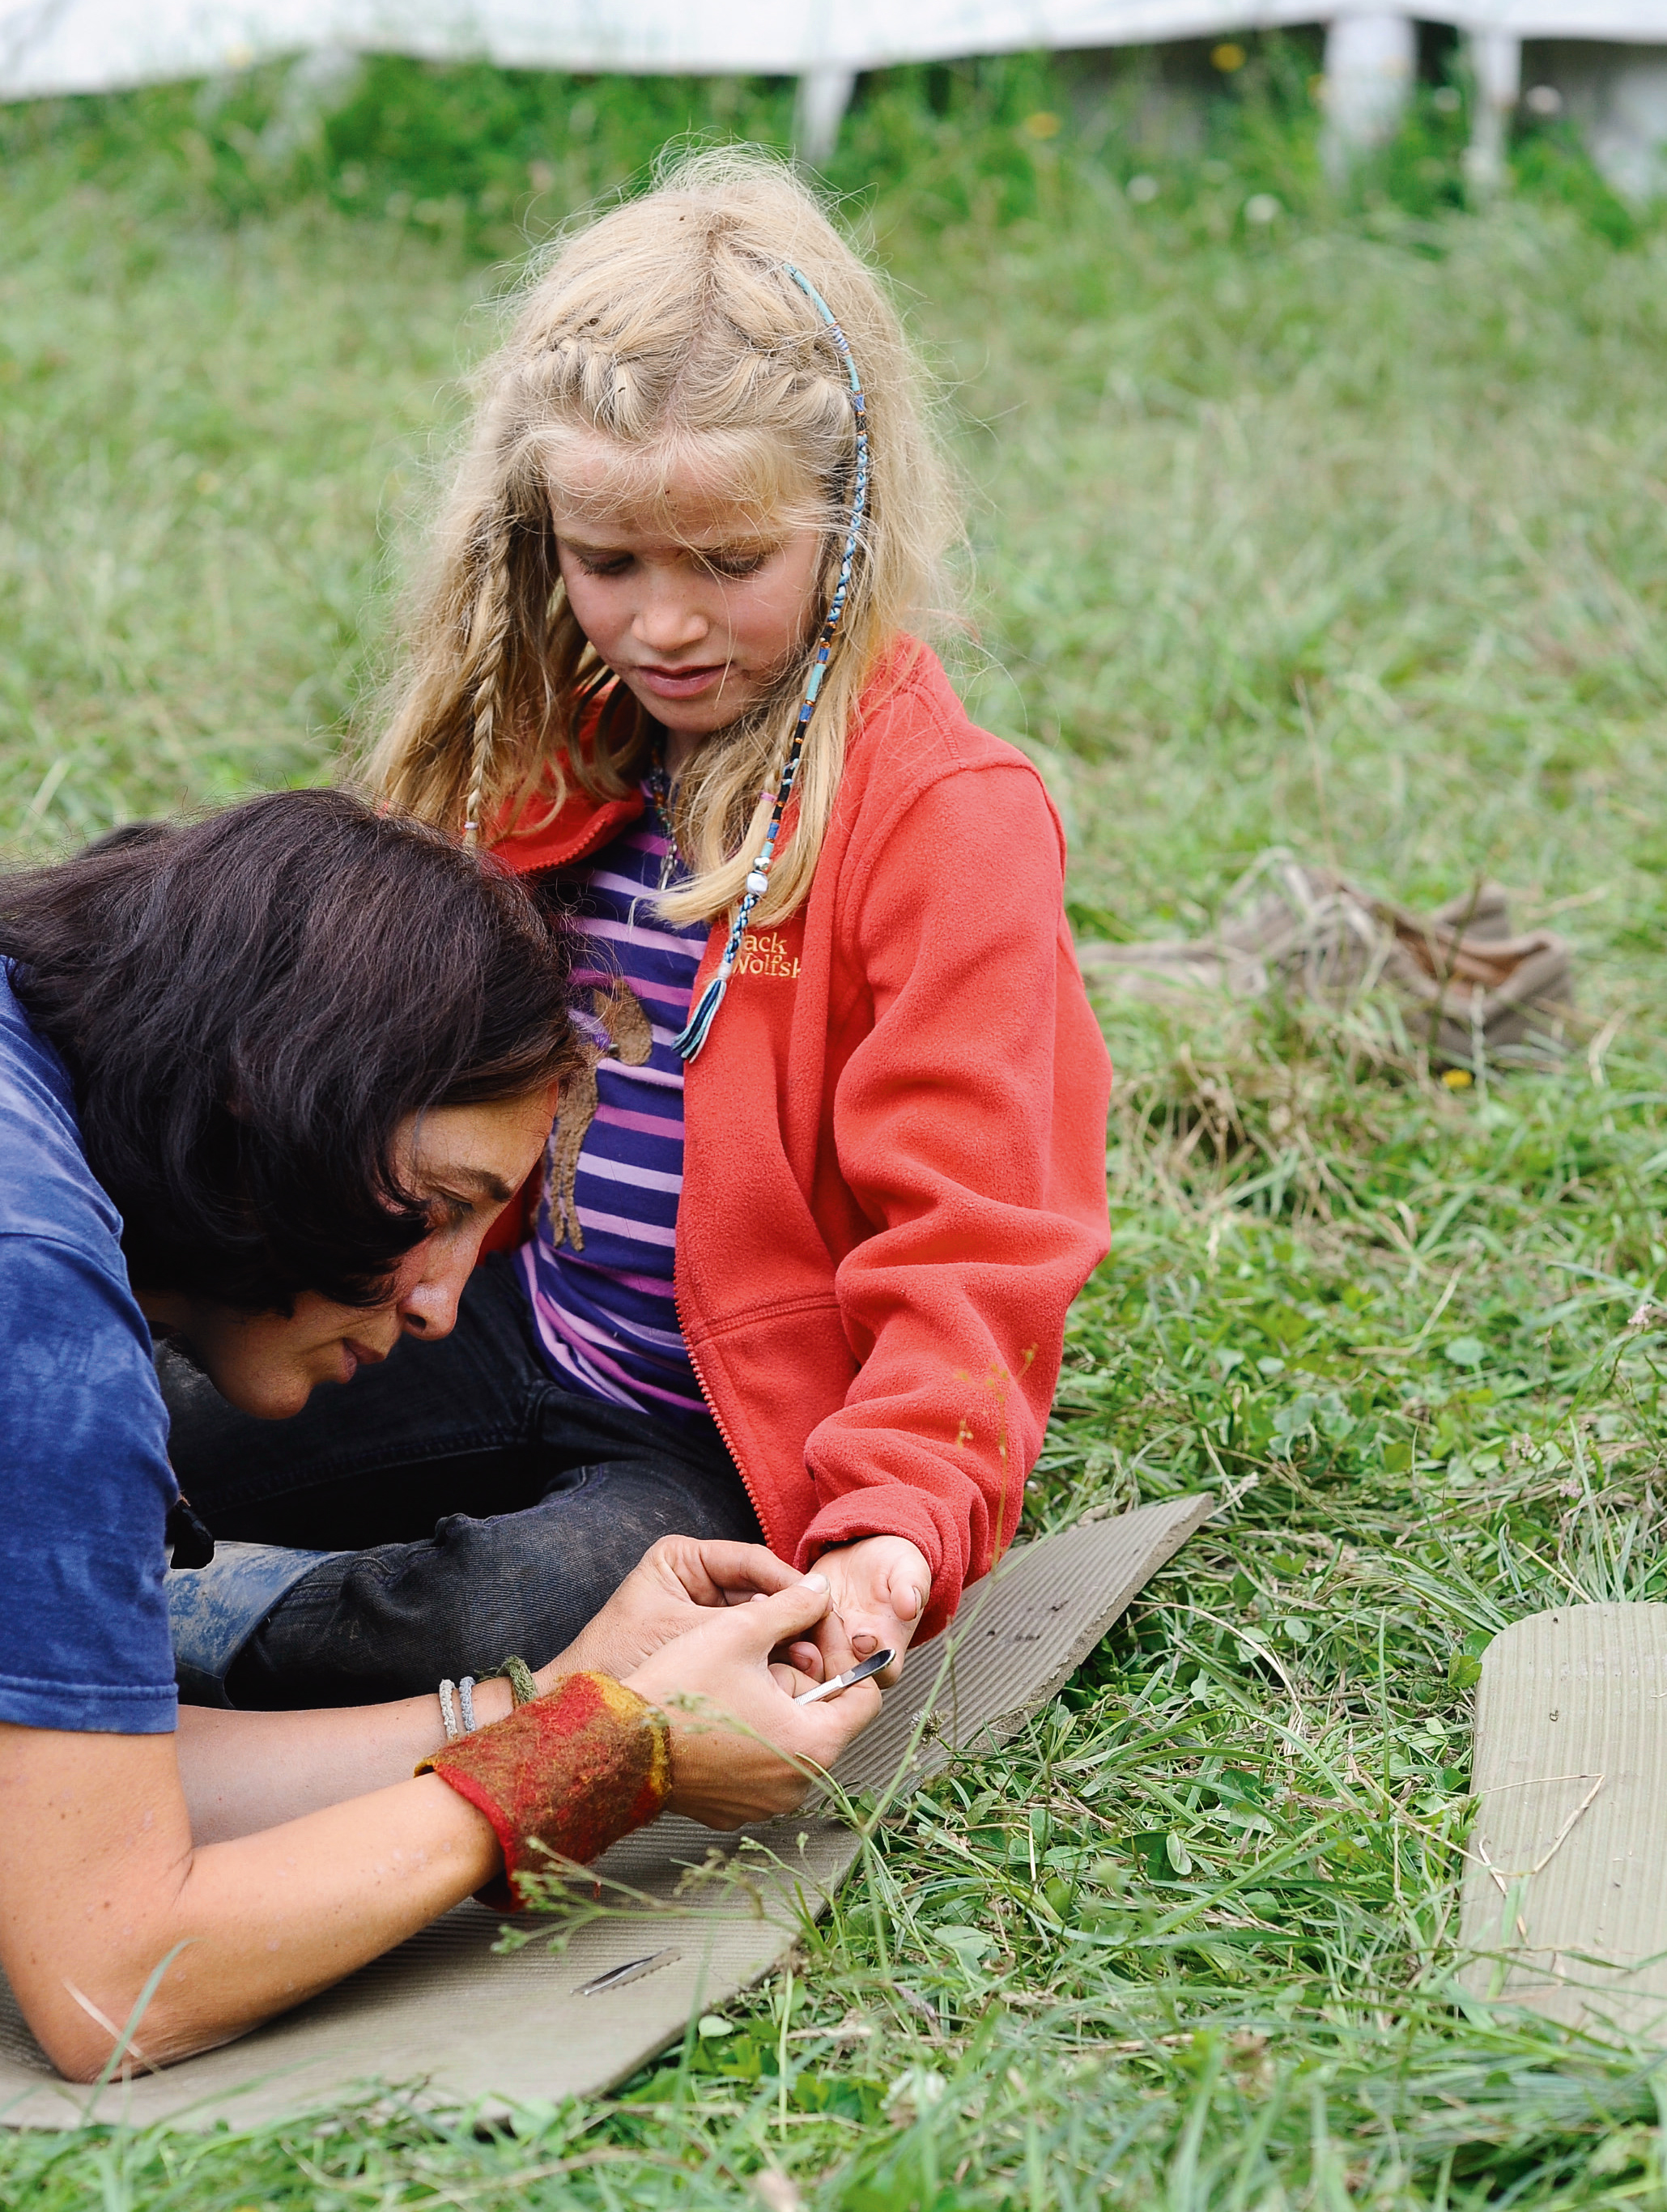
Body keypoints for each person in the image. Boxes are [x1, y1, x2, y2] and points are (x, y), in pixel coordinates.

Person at [164, 147, 1113, 1715]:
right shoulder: (537, 749)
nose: (661, 624)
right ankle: (114, 1584)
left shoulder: (946, 819)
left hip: (720, 1436)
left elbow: (979, 1233)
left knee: (512, 1609)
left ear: (849, 523)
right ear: (538, 536)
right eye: (607, 563)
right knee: (144, 1415)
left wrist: (890, 1526)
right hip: (494, 1314)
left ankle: (168, 1637)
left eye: (729, 563)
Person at [0, 791, 878, 2082]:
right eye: (435, 1205)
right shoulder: (43, 1306)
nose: (440, 1302)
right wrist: (606, 1758)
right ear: (275, 1103)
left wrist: (552, 1700)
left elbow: (74, 1797)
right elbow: (115, 1974)